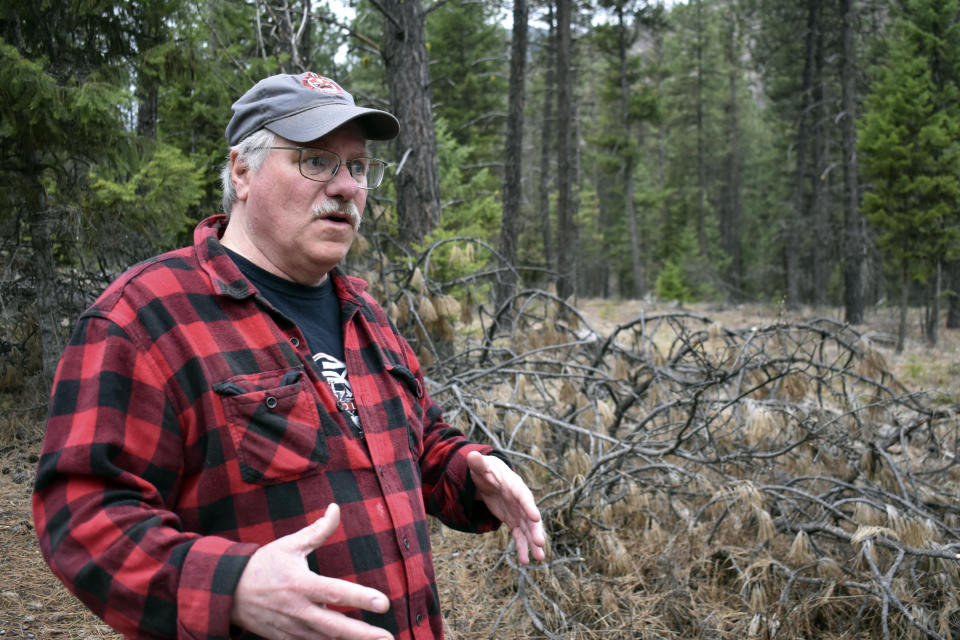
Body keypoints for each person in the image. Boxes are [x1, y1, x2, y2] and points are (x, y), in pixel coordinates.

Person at [32, 71, 546, 640]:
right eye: (316, 160)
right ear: (243, 171)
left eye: (356, 166)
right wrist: (232, 586)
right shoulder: (146, 317)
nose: (347, 186)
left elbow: (417, 442)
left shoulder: (365, 313)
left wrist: (469, 470)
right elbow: (82, 516)